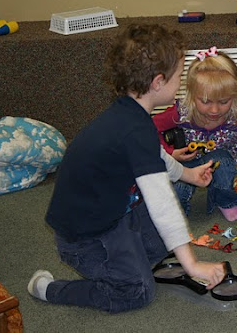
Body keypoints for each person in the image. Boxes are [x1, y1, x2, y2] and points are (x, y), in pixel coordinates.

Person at [27, 24, 225, 313]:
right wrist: (192, 264)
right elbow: (162, 204)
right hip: (85, 237)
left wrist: (189, 175)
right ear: (158, 82)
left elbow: (156, 156)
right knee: (137, 291)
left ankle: (129, 259)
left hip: (114, 211)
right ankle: (50, 289)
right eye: (179, 77)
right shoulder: (135, 129)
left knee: (160, 248)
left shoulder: (130, 112)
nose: (180, 84)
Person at [153, 47, 237, 221]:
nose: (214, 110)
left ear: (234, 95)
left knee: (223, 163)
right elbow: (147, 129)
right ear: (192, 95)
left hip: (219, 162)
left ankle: (224, 201)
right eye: (205, 101)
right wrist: (169, 152)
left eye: (224, 102)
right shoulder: (182, 112)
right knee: (177, 198)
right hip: (185, 166)